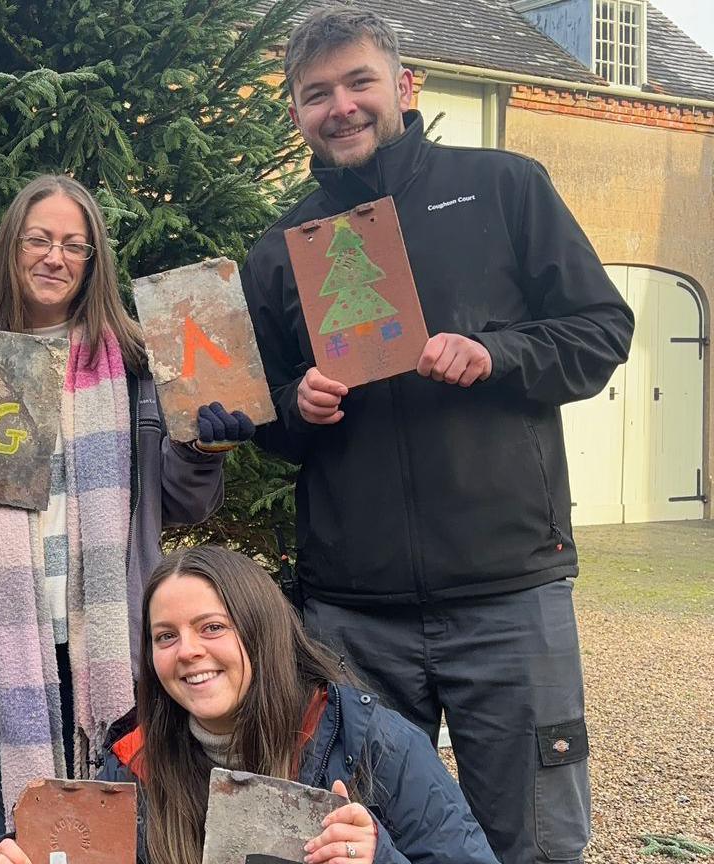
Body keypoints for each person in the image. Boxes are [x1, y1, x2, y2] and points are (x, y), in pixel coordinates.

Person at [239, 9, 634, 864]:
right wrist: (293, 405)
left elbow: (603, 331)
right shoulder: (277, 251)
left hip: (507, 593)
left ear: (404, 88)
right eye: (316, 94)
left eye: (358, 83)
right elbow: (257, 414)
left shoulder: (504, 187)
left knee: (534, 837)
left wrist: (497, 354)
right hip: (354, 611)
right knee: (366, 837)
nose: (339, 106)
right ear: (297, 113)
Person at [0, 174, 254, 835]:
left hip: (121, 639)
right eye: (39, 240)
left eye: (73, 245)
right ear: (11, 249)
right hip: (9, 648)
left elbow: (181, 503)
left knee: (137, 827)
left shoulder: (142, 365)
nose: (54, 257)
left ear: (92, 261)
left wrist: (202, 452)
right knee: (27, 832)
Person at [0, 546, 500, 864]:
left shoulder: (370, 740)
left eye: (212, 627)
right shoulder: (131, 761)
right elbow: (51, 845)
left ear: (262, 632)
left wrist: (376, 858)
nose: (187, 650)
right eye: (165, 636)